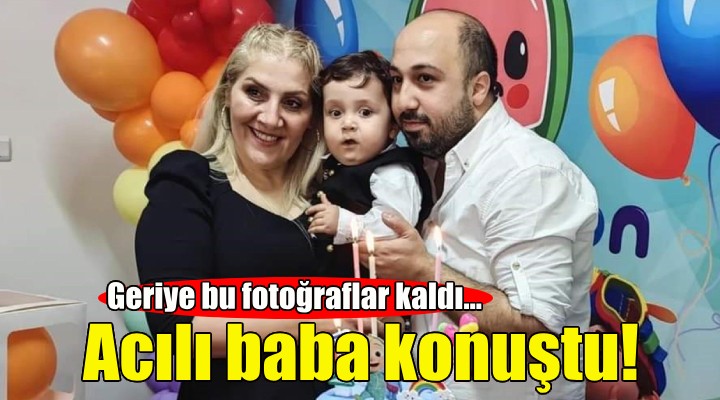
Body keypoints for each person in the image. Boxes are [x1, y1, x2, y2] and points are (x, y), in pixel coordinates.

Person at [358, 9, 599, 400]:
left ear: (478, 88)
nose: (403, 100)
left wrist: (423, 271)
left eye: (425, 79)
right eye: (398, 81)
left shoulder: (528, 174)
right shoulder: (421, 162)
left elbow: (536, 330)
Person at [135, 23, 362, 400]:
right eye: (255, 92)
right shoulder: (190, 181)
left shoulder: (325, 202)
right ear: (228, 93)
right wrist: (320, 325)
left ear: (311, 118)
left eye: (293, 103)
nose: (270, 118)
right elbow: (178, 330)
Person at [304, 50, 433, 279]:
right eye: (335, 113)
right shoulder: (329, 164)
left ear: (393, 126)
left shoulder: (393, 173)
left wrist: (342, 222)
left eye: (365, 112)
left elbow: (394, 229)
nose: (348, 124)